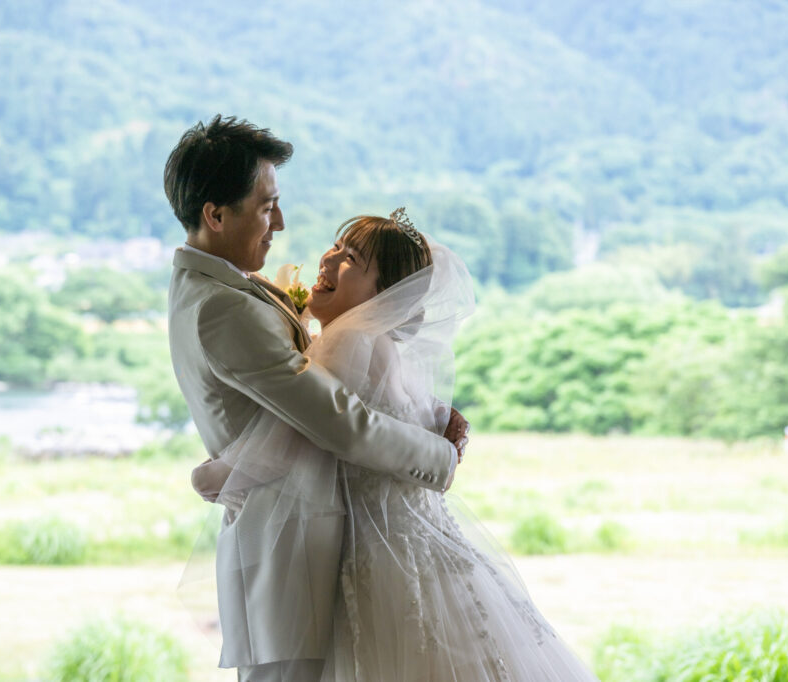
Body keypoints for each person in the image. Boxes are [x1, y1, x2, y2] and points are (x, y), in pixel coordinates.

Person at [197, 211, 600, 681]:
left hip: (378, 547)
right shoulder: (377, 343)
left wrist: (213, 476)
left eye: (351, 259)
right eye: (336, 247)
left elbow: (300, 437)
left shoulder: (348, 340)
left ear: (384, 296)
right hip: (411, 539)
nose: (328, 260)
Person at [163, 115, 468, 682]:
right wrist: (440, 455)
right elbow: (336, 419)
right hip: (288, 545)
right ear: (215, 215)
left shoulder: (224, 287)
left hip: (307, 541)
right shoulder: (223, 307)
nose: (279, 222)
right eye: (267, 207)